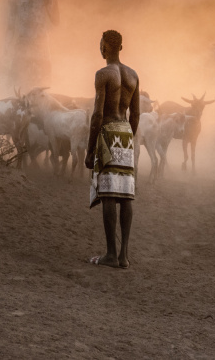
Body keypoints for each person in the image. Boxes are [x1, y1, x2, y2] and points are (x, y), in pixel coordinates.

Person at [84, 30, 140, 269]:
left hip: (108, 130)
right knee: (126, 193)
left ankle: (110, 254)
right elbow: (136, 113)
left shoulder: (103, 74)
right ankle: (124, 256)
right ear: (121, 47)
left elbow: (97, 114)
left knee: (108, 192)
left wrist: (89, 149)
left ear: (105, 48)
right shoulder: (133, 75)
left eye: (100, 44)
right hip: (126, 132)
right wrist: (128, 138)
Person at [5, 0, 61, 90]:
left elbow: (55, 21)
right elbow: (11, 26)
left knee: (43, 87)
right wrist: (6, 50)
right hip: (22, 45)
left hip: (40, 45)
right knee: (17, 87)